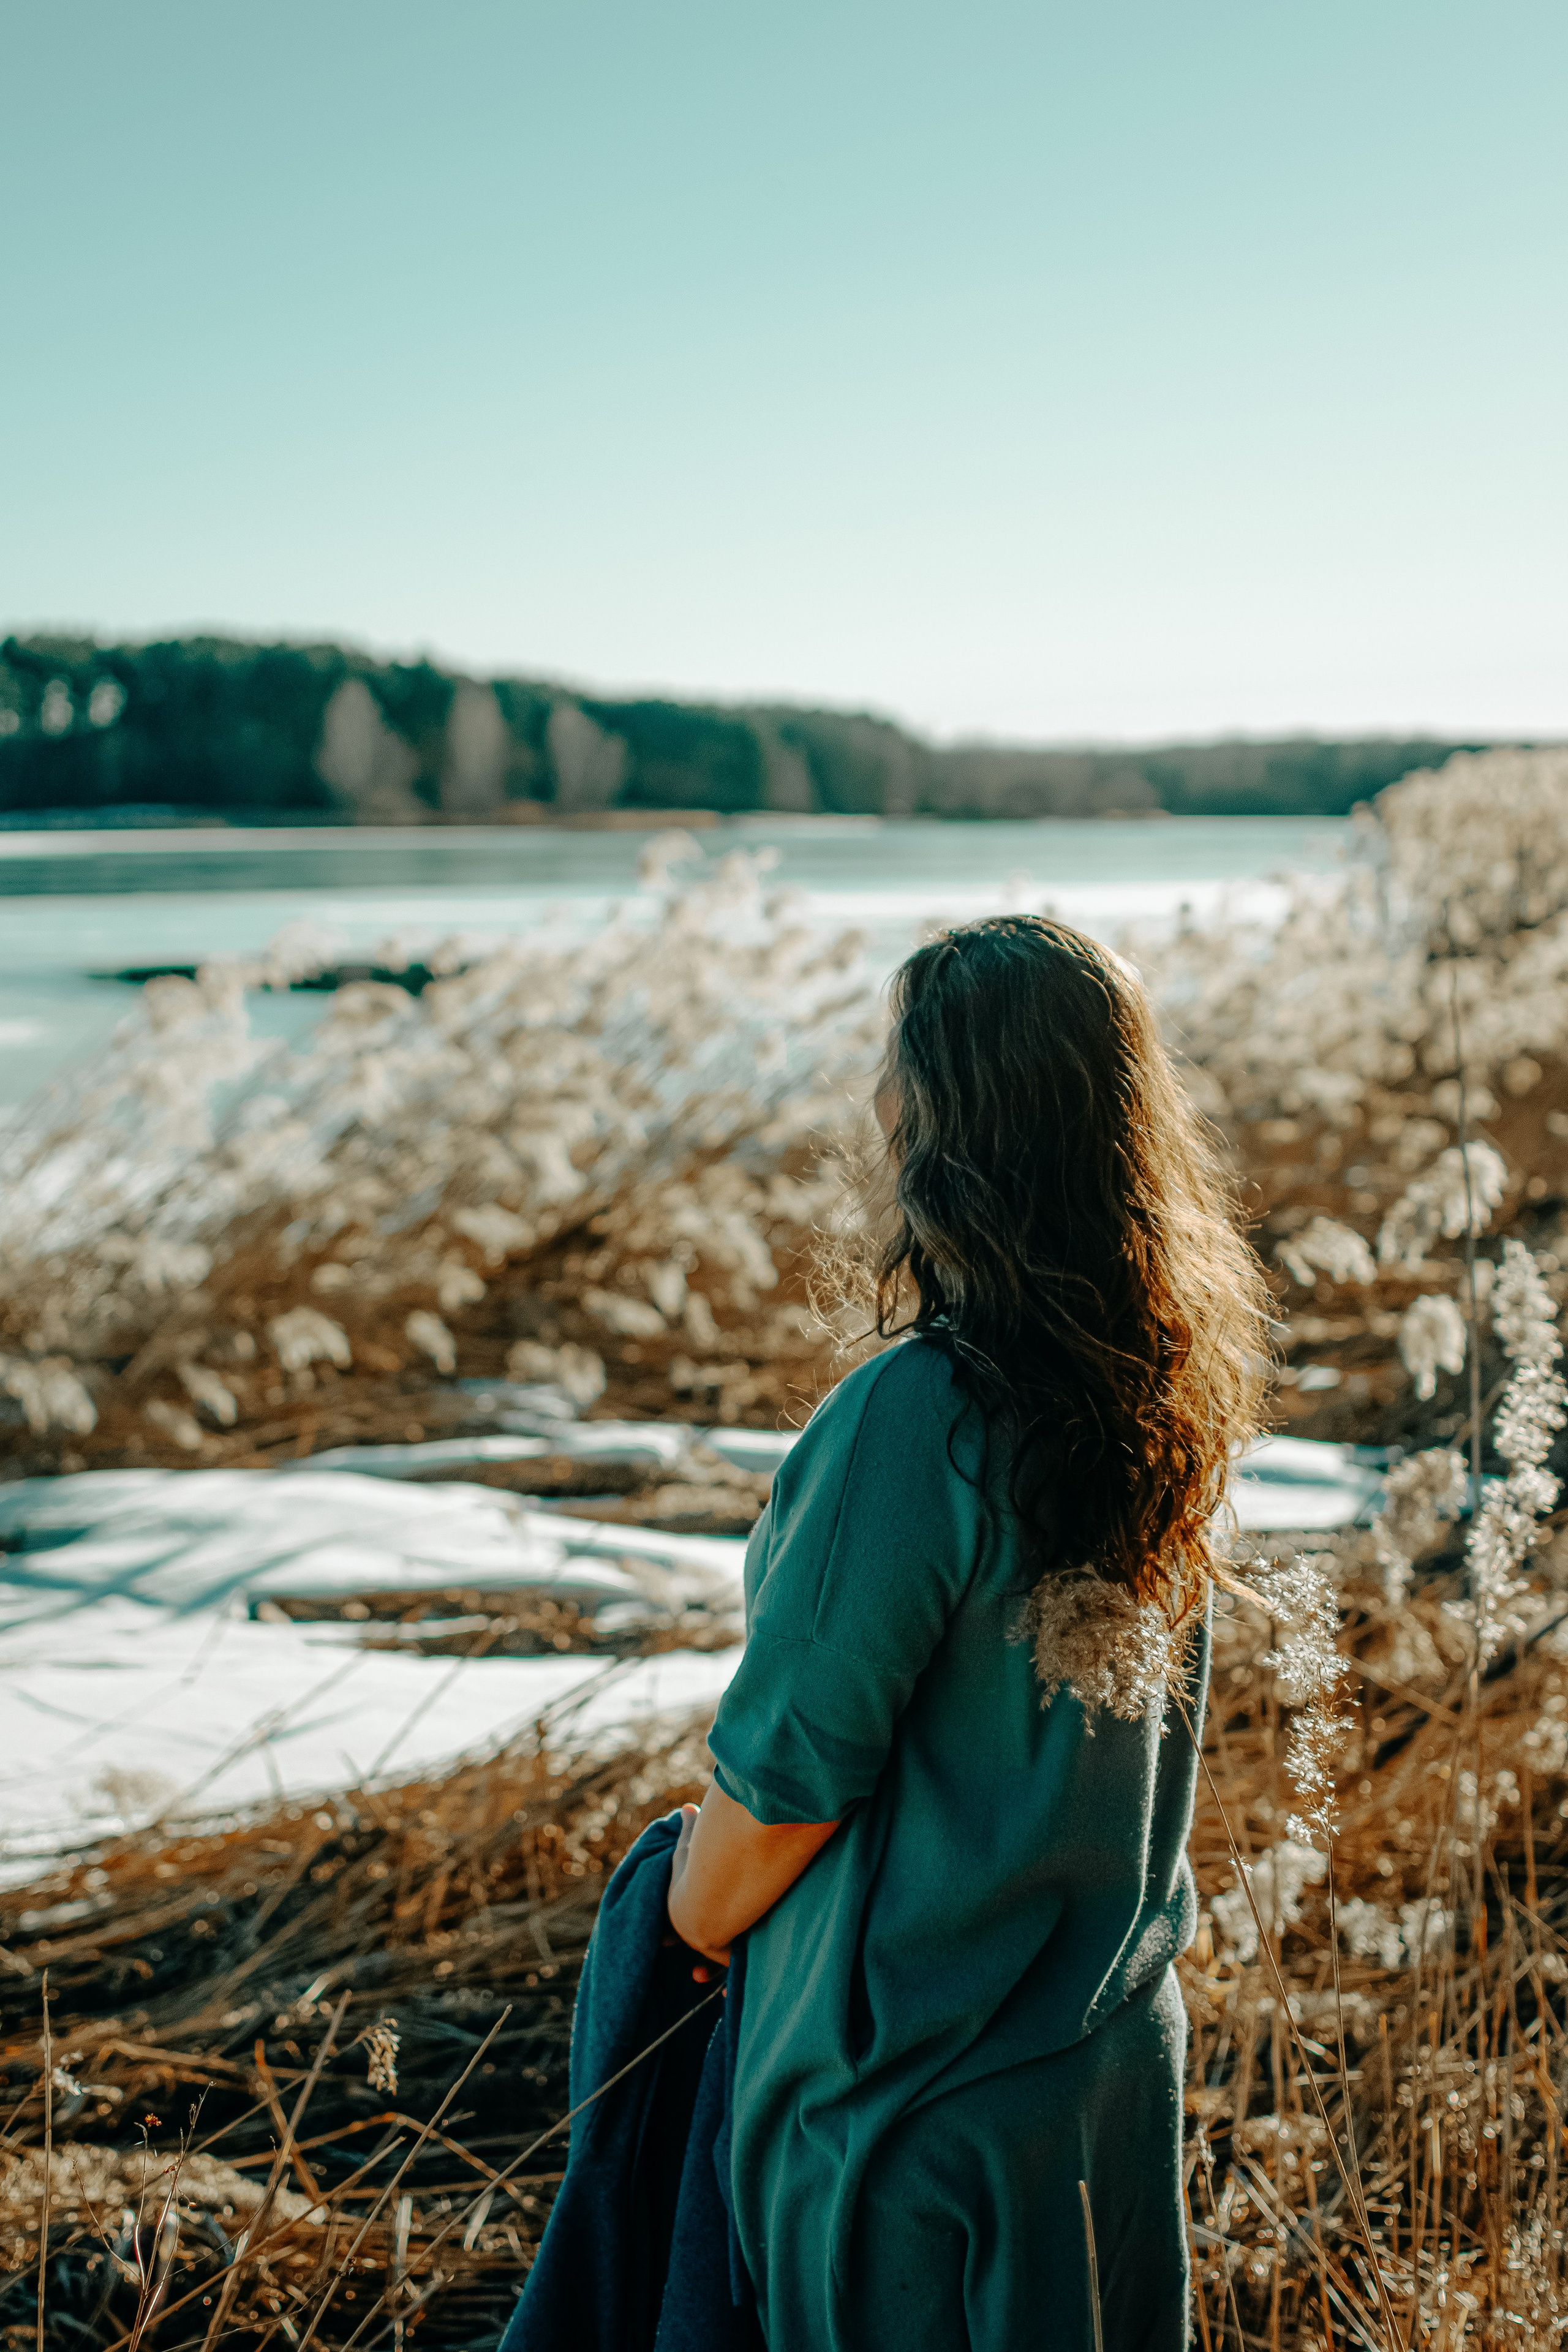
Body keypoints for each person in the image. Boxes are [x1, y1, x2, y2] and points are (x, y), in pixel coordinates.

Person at [666, 914, 1270, 2351]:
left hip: (906, 2126)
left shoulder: (910, 1420)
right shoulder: (1165, 1403)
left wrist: (675, 1921)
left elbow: (780, 1792)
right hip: (1100, 2088)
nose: (876, 1099)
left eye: (900, 1068)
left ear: (945, 1124)